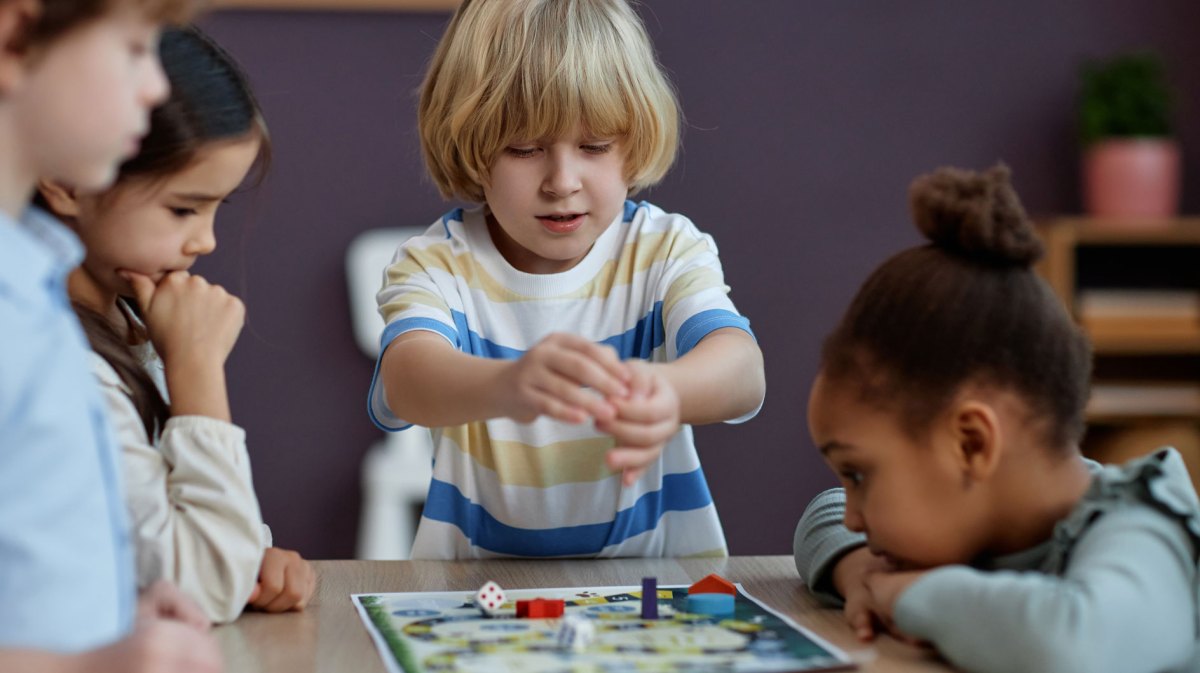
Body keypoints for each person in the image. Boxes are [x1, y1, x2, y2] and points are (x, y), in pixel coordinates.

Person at [369, 0, 766, 559]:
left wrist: (668, 392)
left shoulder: (666, 249)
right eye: (525, 149)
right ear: (472, 148)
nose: (562, 181)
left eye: (595, 146)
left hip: (653, 588)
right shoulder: (437, 264)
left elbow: (744, 372)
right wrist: (507, 385)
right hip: (473, 596)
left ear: (634, 143)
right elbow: (406, 383)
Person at [793, 165, 1200, 673]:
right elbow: (821, 516)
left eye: (859, 474)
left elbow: (1076, 649)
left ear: (971, 443)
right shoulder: (982, 525)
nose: (853, 515)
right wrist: (858, 574)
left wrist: (908, 595)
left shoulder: (1140, 527)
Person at [37, 25, 316, 624]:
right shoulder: (59, 363)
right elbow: (201, 588)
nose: (207, 240)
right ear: (64, 180)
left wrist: (253, 554)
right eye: (183, 208)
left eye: (218, 207)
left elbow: (184, 543)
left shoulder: (130, 323)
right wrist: (196, 373)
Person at [0, 0, 223, 671]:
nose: (155, 87)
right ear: (14, 37)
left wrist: (108, 608)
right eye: (133, 47)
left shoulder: (36, 285)